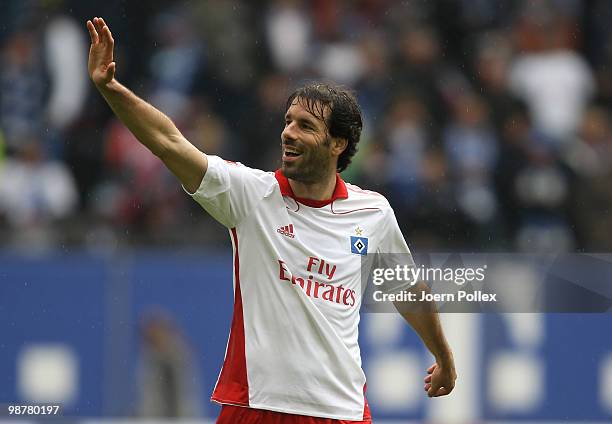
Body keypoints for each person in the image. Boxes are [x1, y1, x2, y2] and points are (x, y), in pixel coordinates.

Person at [86, 16, 456, 423]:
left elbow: (407, 289)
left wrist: (443, 356)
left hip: (342, 411)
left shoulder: (373, 213)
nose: (289, 133)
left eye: (306, 126)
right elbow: (169, 141)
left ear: (338, 144)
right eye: (288, 121)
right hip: (257, 407)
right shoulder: (250, 195)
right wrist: (111, 88)